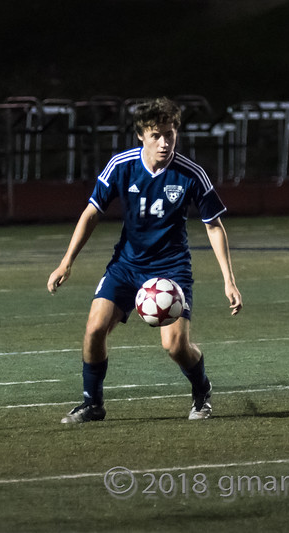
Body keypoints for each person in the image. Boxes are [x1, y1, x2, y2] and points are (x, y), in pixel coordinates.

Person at [47, 97, 242, 423]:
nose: (165, 142)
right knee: (94, 329)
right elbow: (92, 213)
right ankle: (92, 404)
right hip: (127, 265)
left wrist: (229, 281)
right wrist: (67, 261)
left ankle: (201, 390)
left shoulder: (191, 174)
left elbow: (214, 226)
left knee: (175, 346)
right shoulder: (121, 166)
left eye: (170, 134)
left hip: (172, 268)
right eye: (156, 135)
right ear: (142, 135)